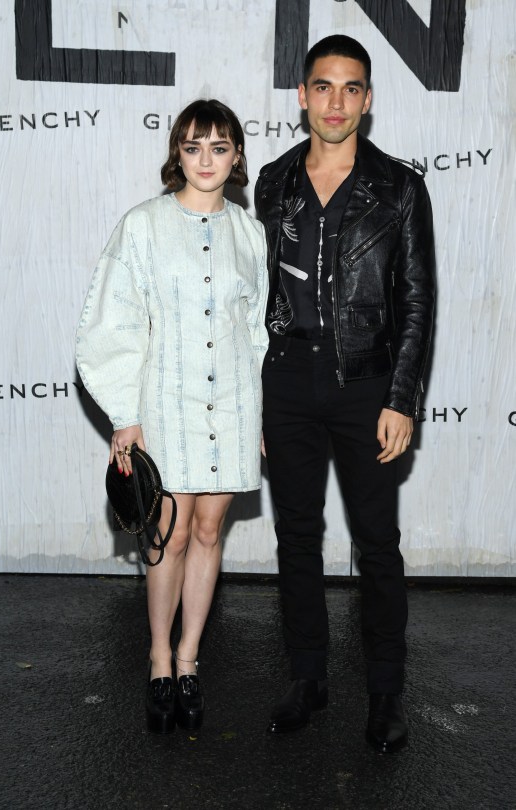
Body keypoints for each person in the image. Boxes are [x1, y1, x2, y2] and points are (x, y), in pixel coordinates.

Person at [255, 35, 435, 752]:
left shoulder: (399, 188)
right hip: (287, 379)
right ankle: (308, 678)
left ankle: (386, 692)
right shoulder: (272, 182)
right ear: (302, 95)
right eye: (323, 87)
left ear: (367, 99)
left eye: (350, 88)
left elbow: (417, 301)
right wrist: (255, 398)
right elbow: (254, 296)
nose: (336, 102)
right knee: (297, 537)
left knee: (377, 544)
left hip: (367, 385)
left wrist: (403, 398)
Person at [76, 99, 269, 734]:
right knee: (170, 535)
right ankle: (159, 656)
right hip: (166, 404)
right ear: (177, 155)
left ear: (236, 156)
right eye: (193, 147)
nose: (205, 160)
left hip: (233, 404)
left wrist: (260, 414)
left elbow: (257, 332)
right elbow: (116, 322)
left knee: (209, 533)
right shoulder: (142, 226)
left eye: (219, 147)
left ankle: (190, 659)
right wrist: (124, 416)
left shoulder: (251, 234)